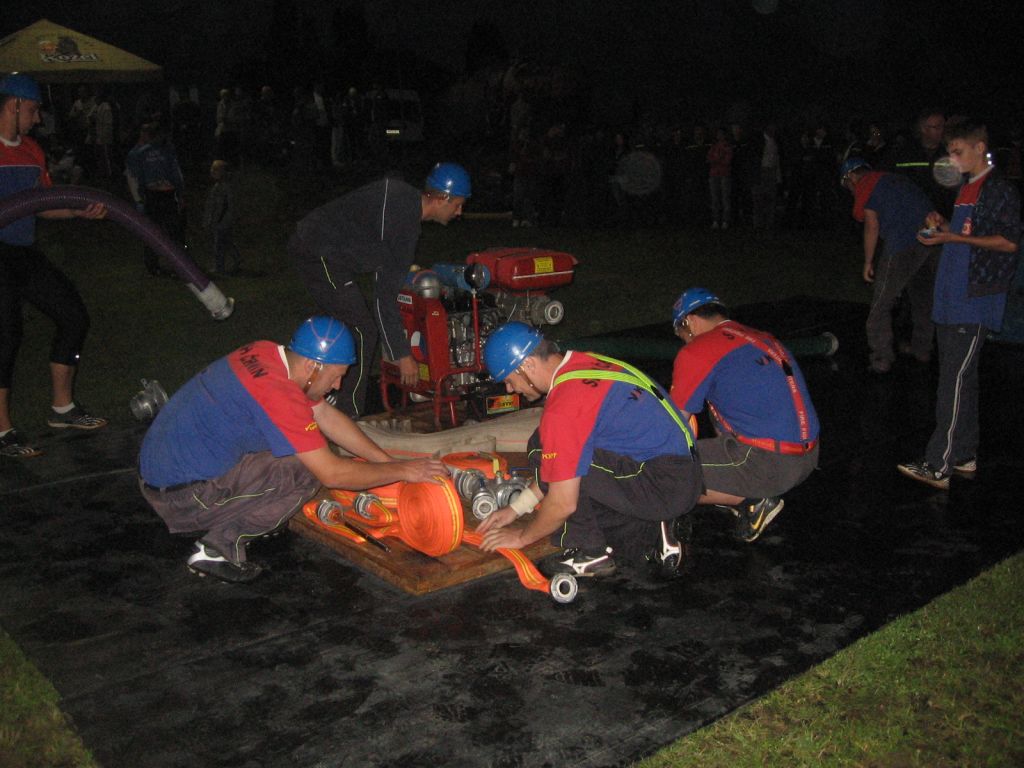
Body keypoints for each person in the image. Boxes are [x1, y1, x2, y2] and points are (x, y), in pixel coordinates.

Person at [138, 316, 449, 583]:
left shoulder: (266, 354)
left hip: (159, 471)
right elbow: (332, 474)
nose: (338, 386)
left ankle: (241, 509)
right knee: (305, 471)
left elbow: (325, 415)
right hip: (182, 499)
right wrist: (404, 470)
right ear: (313, 365)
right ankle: (217, 549)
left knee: (297, 447)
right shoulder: (279, 395)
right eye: (337, 376)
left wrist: (386, 462)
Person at [477, 322, 701, 578]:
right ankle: (651, 526)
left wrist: (521, 537)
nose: (510, 389)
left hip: (664, 486)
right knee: (548, 444)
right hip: (680, 474)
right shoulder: (586, 362)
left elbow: (562, 503)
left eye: (509, 380)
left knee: (554, 462)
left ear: (527, 364)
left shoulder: (564, 407)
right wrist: (517, 508)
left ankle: (592, 552)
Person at [288, 162, 472, 418]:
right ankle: (348, 414)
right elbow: (383, 297)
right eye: (458, 204)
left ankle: (314, 393)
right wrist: (402, 355)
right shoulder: (405, 223)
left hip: (317, 247)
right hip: (318, 252)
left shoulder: (402, 199)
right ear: (442, 198)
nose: (459, 212)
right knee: (363, 329)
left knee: (341, 326)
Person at [898, 118, 1021, 490]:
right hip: (951, 295)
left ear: (980, 147)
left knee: (952, 381)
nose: (951, 159)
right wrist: (944, 226)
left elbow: (1008, 242)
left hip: (974, 299)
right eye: (949, 153)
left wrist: (953, 238)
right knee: (961, 379)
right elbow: (968, 232)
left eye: (957, 152)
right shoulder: (968, 187)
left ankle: (938, 464)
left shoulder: (998, 188)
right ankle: (964, 453)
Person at [0, 74, 108, 459]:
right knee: (6, 335)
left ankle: (62, 408)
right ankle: (2, 430)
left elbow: (43, 206)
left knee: (74, 316)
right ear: (13, 105)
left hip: (22, 251)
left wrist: (78, 211)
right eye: (32, 110)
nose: (37, 119)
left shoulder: (32, 151)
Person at [669, 288, 820, 542]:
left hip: (768, 463)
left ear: (690, 322)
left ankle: (753, 499)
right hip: (807, 457)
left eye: (680, 333)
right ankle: (743, 486)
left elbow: (672, 424)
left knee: (656, 472)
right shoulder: (763, 338)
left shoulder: (697, 351)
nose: (683, 341)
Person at [840, 157, 939, 373]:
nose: (850, 191)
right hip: (930, 237)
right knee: (923, 298)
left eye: (847, 185)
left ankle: (881, 357)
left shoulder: (867, 185)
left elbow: (871, 225)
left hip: (902, 243)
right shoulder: (893, 179)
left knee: (881, 303)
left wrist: (868, 261)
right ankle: (922, 349)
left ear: (852, 177)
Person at [125, 122, 186, 277]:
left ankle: (157, 265)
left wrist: (141, 196)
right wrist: (180, 194)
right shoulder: (164, 151)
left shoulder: (143, 153)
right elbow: (175, 174)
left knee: (156, 231)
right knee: (170, 231)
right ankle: (175, 265)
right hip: (163, 195)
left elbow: (137, 177)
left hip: (154, 195)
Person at [202, 159, 241, 275]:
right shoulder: (217, 187)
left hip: (223, 222)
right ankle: (236, 259)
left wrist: (220, 221)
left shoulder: (225, 187)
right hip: (221, 221)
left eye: (215, 169)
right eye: (212, 169)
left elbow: (226, 206)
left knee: (219, 244)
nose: (212, 171)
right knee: (226, 242)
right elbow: (212, 206)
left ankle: (219, 267)